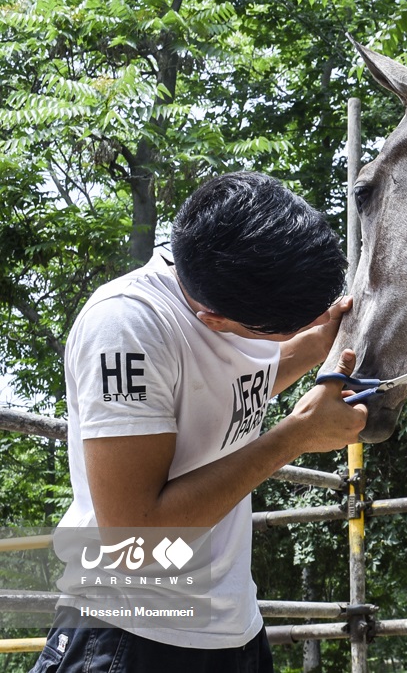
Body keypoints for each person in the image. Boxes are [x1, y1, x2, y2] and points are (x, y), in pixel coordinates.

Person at [31, 171, 367, 672]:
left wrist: (317, 344)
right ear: (211, 317)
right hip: (133, 635)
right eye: (285, 328)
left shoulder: (224, 274)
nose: (302, 329)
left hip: (235, 630)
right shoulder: (129, 327)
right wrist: (295, 436)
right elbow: (134, 542)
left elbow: (224, 389)